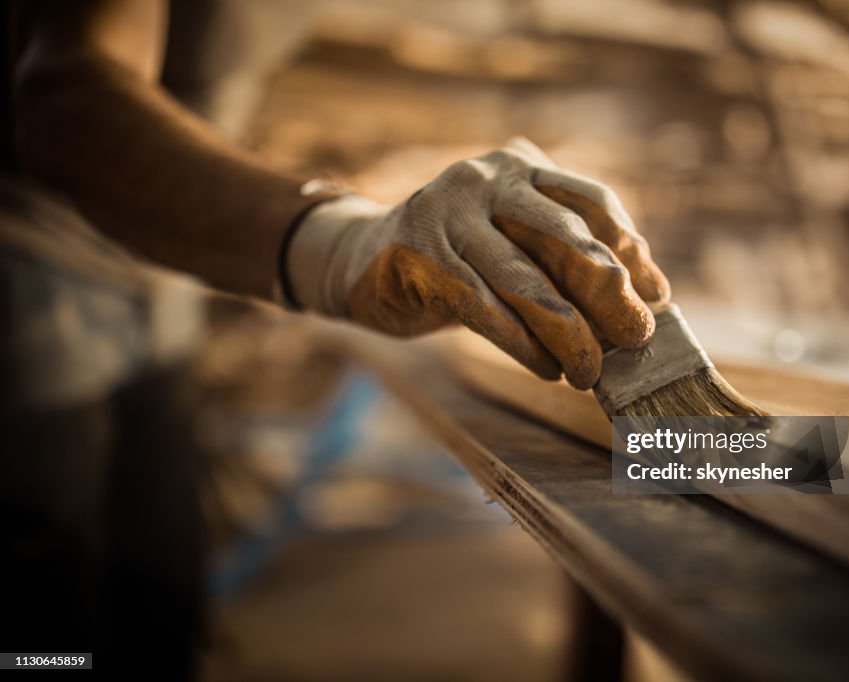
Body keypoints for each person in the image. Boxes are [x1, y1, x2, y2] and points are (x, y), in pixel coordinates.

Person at [0, 0, 669, 675]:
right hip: (33, 263)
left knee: (158, 606)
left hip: (161, 274)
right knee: (49, 633)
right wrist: (348, 245)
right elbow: (63, 100)